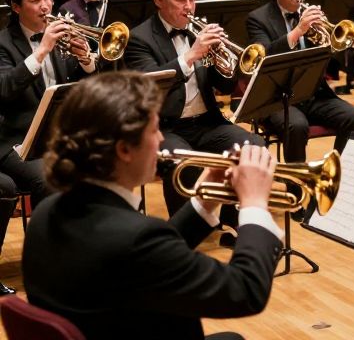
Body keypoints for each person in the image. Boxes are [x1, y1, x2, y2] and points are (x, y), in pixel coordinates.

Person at [23, 72, 282, 339]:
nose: (160, 139)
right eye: (155, 129)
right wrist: (254, 204)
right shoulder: (135, 240)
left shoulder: (46, 212)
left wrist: (205, 200)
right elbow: (244, 291)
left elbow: (148, 260)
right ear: (124, 150)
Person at [123, 0, 263, 217]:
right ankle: (183, 232)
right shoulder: (139, 39)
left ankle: (233, 218)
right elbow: (150, 90)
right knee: (183, 164)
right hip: (165, 126)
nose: (189, 7)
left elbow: (227, 88)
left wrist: (225, 60)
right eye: (181, 0)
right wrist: (191, 56)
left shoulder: (198, 31)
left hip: (208, 123)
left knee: (253, 147)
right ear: (159, 0)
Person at [246, 0, 354, 162]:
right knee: (297, 126)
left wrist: (330, 44)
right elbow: (264, 56)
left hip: (313, 93)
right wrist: (298, 31)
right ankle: (297, 185)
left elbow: (330, 64)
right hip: (277, 98)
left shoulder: (310, 14)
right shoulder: (258, 19)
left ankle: (335, 172)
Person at [0, 0, 96, 211]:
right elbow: (4, 89)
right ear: (16, 6)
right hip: (18, 141)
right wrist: (41, 51)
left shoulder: (60, 35)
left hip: (62, 134)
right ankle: (47, 243)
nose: (45, 6)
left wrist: (85, 59)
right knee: (50, 178)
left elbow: (87, 84)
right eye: (35, 1)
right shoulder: (3, 43)